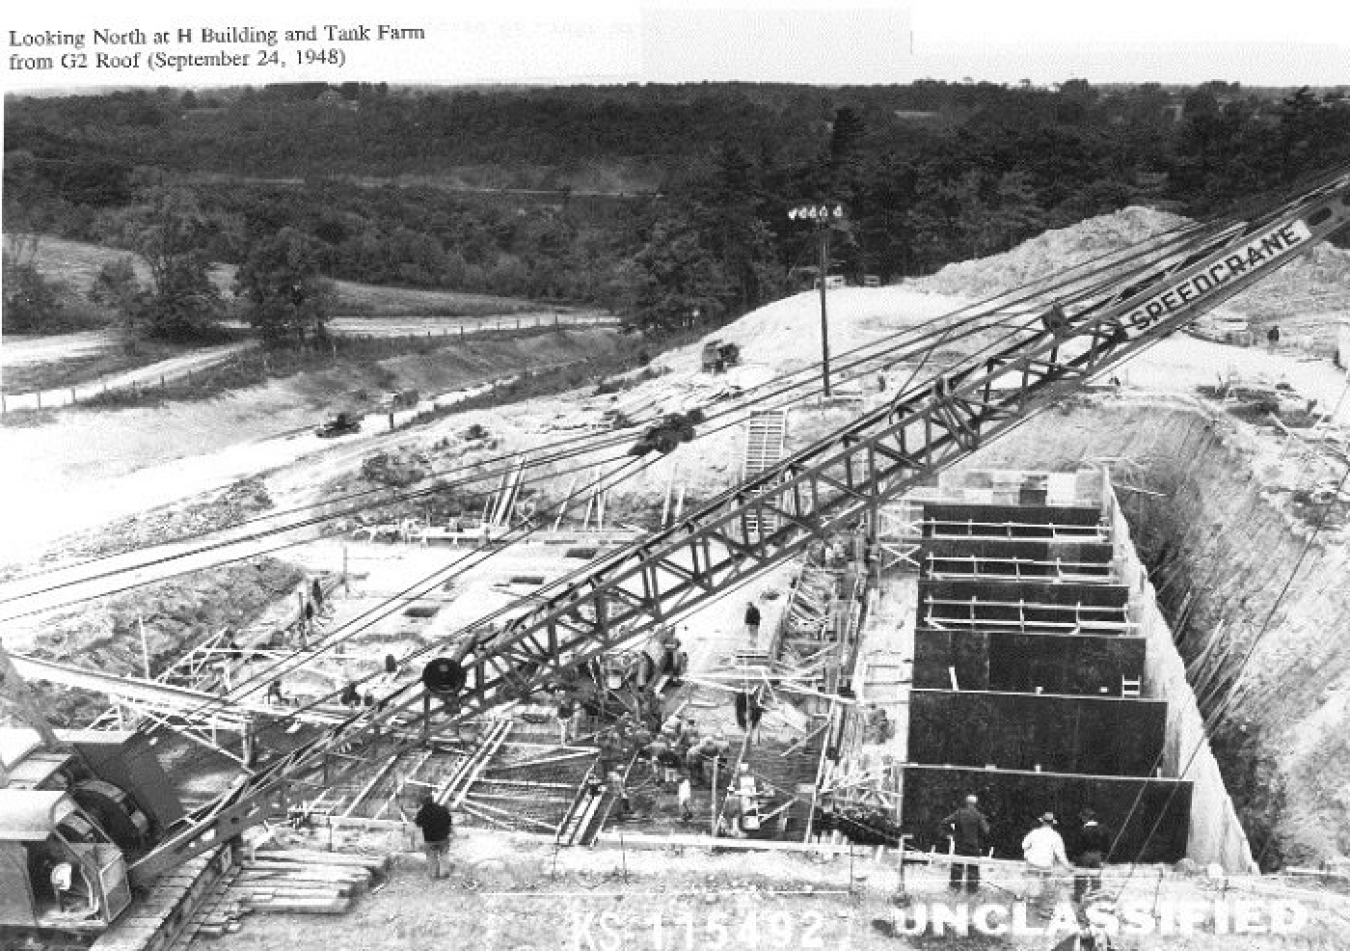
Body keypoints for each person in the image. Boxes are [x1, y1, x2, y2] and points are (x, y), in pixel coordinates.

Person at [1022, 812, 1072, 917]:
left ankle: (1026, 908)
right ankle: (1044, 910)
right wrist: (1068, 866)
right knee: (1049, 888)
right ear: (1052, 823)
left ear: (1042, 822)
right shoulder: (1055, 836)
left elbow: (1024, 845)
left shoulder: (1034, 832)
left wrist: (1027, 854)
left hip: (1033, 864)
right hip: (1046, 865)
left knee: (1031, 886)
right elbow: (1060, 854)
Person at [940, 794, 991, 893]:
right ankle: (972, 892)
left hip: (960, 846)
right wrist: (978, 838)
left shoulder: (959, 813)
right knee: (973, 871)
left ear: (966, 803)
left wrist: (951, 834)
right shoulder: (979, 815)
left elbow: (944, 823)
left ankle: (954, 890)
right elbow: (986, 831)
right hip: (973, 847)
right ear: (976, 804)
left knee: (957, 869)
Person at [1073, 809, 1112, 902]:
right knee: (1095, 877)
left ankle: (1079, 897)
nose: (1081, 819)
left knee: (1081, 877)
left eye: (1082, 817)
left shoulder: (1082, 829)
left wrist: (1076, 856)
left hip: (1084, 855)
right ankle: (1096, 897)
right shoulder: (1102, 829)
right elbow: (1107, 843)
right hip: (1098, 855)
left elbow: (1078, 845)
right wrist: (1104, 854)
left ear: (1085, 817)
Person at [413, 794, 453, 880]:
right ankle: (444, 874)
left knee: (431, 857)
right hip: (443, 838)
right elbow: (449, 821)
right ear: (432, 800)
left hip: (430, 840)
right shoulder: (442, 809)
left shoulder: (422, 812)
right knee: (444, 855)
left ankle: (432, 874)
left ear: (423, 802)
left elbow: (418, 823)